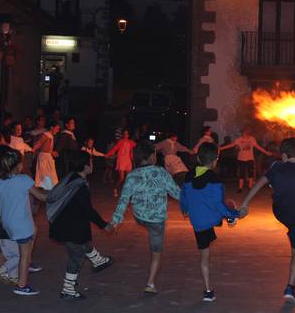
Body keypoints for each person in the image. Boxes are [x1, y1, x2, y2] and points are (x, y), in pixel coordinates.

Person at [240, 138, 295, 303]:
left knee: (278, 187)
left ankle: (278, 190)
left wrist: (245, 204)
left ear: (284, 155)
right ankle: (290, 288)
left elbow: (258, 184)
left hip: (279, 210)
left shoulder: (277, 167)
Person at [109, 140, 181, 294]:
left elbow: (123, 199)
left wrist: (116, 220)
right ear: (151, 156)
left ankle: (151, 283)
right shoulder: (161, 172)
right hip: (156, 220)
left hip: (139, 215)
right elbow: (177, 193)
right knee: (156, 252)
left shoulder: (132, 175)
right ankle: (150, 284)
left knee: (147, 224)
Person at [46, 151, 113, 300]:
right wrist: (104, 225)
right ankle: (68, 289)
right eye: (90, 161)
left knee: (82, 242)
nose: (92, 164)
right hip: (69, 226)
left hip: (64, 223)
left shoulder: (70, 178)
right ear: (85, 166)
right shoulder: (79, 186)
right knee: (76, 255)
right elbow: (88, 210)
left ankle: (97, 260)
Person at [180, 143, 240, 303]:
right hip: (212, 217)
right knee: (229, 204)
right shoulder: (215, 180)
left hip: (197, 222)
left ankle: (208, 291)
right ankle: (230, 219)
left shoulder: (188, 176)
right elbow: (219, 205)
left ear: (198, 158)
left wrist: (185, 209)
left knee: (204, 257)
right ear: (215, 161)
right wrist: (236, 214)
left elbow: (183, 196)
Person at [0, 147, 48, 295]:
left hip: (8, 224)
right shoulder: (24, 179)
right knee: (24, 256)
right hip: (22, 225)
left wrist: (4, 219)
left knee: (20, 249)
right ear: (19, 165)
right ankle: (22, 286)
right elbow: (42, 197)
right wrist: (51, 191)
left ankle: (8, 271)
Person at [219, 128, 271, 192]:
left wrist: (266, 152)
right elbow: (231, 145)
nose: (242, 134)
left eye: (243, 133)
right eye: (242, 133)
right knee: (242, 174)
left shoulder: (252, 139)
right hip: (241, 159)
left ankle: (250, 187)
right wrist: (221, 148)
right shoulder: (239, 139)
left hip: (250, 158)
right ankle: (240, 188)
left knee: (250, 173)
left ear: (246, 133)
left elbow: (257, 146)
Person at [106, 129, 136, 197]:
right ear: (123, 135)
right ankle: (115, 189)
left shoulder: (130, 142)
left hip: (128, 161)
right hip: (121, 160)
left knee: (129, 178)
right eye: (124, 133)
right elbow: (114, 149)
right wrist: (108, 154)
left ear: (128, 135)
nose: (126, 135)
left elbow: (138, 146)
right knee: (121, 178)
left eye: (127, 134)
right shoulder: (120, 141)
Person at [32, 121, 60, 187]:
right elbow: (38, 143)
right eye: (57, 128)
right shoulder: (45, 135)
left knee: (51, 175)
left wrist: (52, 152)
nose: (58, 130)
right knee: (44, 174)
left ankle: (50, 188)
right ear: (51, 127)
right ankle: (44, 189)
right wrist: (33, 150)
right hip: (43, 157)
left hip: (48, 157)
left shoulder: (51, 136)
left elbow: (48, 148)